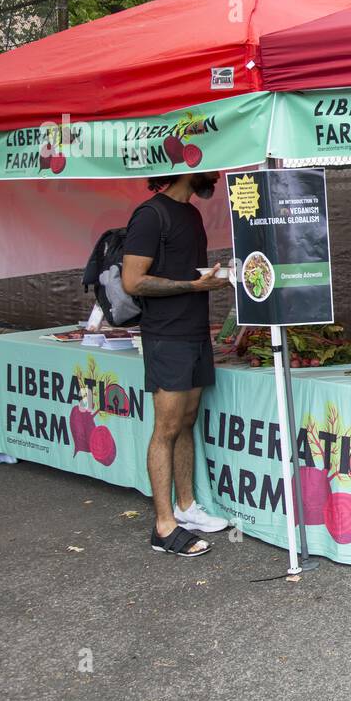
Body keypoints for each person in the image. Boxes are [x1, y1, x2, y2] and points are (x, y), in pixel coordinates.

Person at [122, 172, 231, 557]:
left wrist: (207, 280)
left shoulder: (191, 214)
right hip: (166, 336)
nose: (216, 176)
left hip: (195, 332)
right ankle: (164, 527)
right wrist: (191, 286)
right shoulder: (150, 215)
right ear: (187, 169)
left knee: (187, 422)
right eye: (211, 169)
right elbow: (133, 282)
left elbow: (185, 273)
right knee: (166, 427)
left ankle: (186, 508)